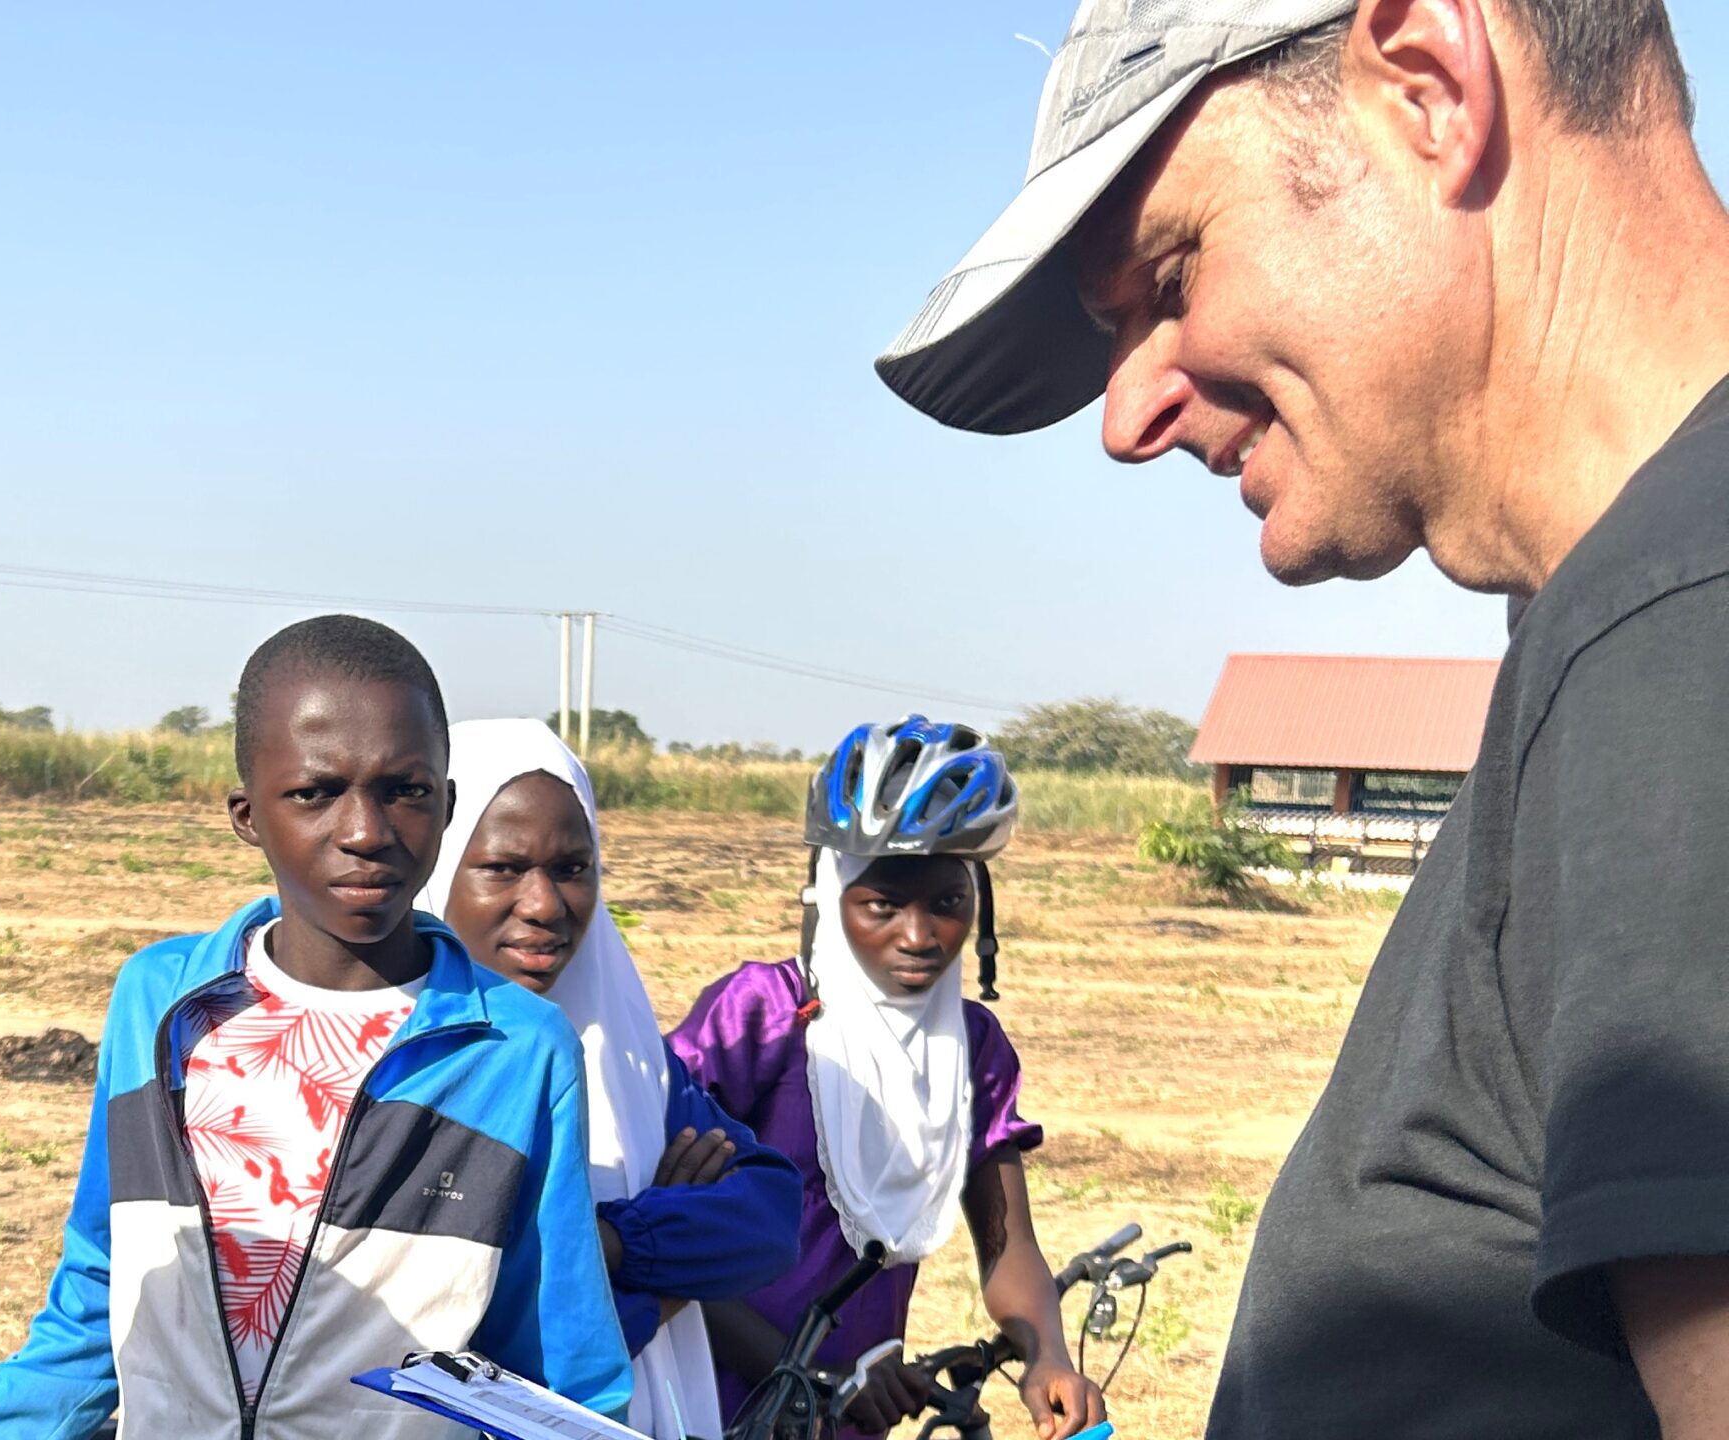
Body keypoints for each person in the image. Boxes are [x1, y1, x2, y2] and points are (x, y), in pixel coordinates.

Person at [873, 0, 1729, 1434]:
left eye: (1166, 277)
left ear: (1429, 85)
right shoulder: (1630, 625)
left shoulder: (1681, 629)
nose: (1128, 414)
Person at [0, 615, 632, 1439]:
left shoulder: (515, 1048)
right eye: (314, 793)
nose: (365, 832)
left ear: (446, 805)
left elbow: (561, 1368)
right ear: (246, 814)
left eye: (405, 790)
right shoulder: (162, 1007)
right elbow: (102, 1281)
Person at [670, 720, 1102, 1439]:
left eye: (947, 903)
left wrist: (1047, 1355)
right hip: (715, 1404)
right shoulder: (761, 1019)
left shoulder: (971, 1048)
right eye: (881, 905)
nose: (918, 935)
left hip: (848, 1414)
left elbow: (1007, 1244)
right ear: (831, 897)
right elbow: (669, 1240)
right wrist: (805, 1375)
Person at [416, 718, 802, 1439]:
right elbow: (493, 1358)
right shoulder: (411, 1070)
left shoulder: (626, 1056)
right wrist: (668, 1284)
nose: (545, 905)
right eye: (502, 868)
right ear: (438, 872)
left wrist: (611, 1242)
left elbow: (771, 1216)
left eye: (572, 867)